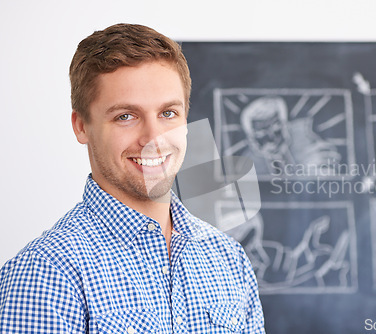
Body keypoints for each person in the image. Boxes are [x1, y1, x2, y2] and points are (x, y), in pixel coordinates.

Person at [0, 23, 265, 333]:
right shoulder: (45, 273)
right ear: (81, 126)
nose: (154, 138)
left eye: (168, 113)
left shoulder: (228, 259)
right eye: (126, 116)